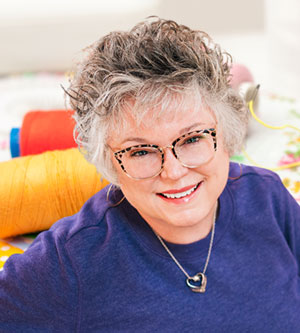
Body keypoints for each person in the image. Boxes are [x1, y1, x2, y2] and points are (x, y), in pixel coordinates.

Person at [0, 17, 299, 332]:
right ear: (108, 162)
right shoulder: (73, 262)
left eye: (193, 138)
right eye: (140, 151)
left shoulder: (268, 199)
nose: (173, 171)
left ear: (226, 133)